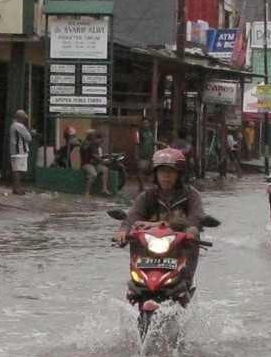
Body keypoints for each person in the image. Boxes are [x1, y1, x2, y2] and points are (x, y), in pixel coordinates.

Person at [114, 147, 204, 287]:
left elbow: (197, 219)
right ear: (156, 174)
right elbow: (133, 216)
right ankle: (137, 280)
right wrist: (123, 230)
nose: (166, 176)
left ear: (179, 174)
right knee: (135, 231)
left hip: (178, 248)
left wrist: (165, 224)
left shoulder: (191, 195)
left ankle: (186, 281)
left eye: (170, 171)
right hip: (148, 249)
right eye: (162, 171)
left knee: (193, 231)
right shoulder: (147, 197)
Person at [80, 128, 111, 197]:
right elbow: (94, 155)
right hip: (87, 164)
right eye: (93, 135)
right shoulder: (88, 144)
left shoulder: (90, 143)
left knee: (105, 170)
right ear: (90, 135)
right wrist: (103, 161)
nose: (94, 136)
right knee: (93, 174)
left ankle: (104, 188)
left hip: (93, 164)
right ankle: (86, 191)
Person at [9, 109, 32, 195]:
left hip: (14, 150)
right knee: (18, 170)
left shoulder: (13, 125)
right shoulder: (20, 126)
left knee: (15, 170)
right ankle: (17, 188)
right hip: (20, 151)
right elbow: (28, 138)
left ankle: (16, 187)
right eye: (24, 118)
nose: (25, 120)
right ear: (20, 118)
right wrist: (28, 129)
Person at [135, 116, 155, 191]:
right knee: (141, 170)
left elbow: (152, 142)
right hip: (142, 154)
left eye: (147, 123)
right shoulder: (139, 132)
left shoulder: (150, 132)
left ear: (149, 124)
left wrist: (160, 143)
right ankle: (142, 186)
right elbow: (136, 144)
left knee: (148, 170)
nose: (145, 125)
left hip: (149, 154)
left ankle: (142, 187)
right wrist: (136, 154)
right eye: (144, 123)